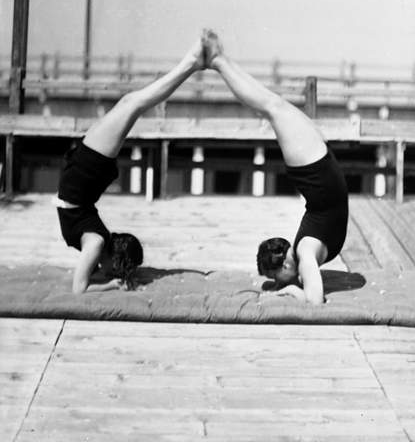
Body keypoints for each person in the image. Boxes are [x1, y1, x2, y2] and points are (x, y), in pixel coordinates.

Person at [201, 29, 349, 305]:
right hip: (319, 171)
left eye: (277, 278)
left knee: (272, 106)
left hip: (318, 171)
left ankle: (219, 61)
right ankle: (218, 60)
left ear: (284, 267)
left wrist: (291, 290)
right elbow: (315, 296)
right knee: (272, 106)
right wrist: (297, 286)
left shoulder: (305, 256)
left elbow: (314, 302)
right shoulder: (304, 255)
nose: (281, 283)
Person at [54, 41, 206, 293]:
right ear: (115, 259)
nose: (104, 271)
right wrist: (112, 284)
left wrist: (111, 283)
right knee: (133, 104)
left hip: (84, 173)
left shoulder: (96, 242)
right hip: (86, 171)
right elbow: (81, 288)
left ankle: (190, 64)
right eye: (111, 269)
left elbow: (78, 290)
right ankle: (189, 64)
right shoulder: (96, 242)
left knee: (132, 103)